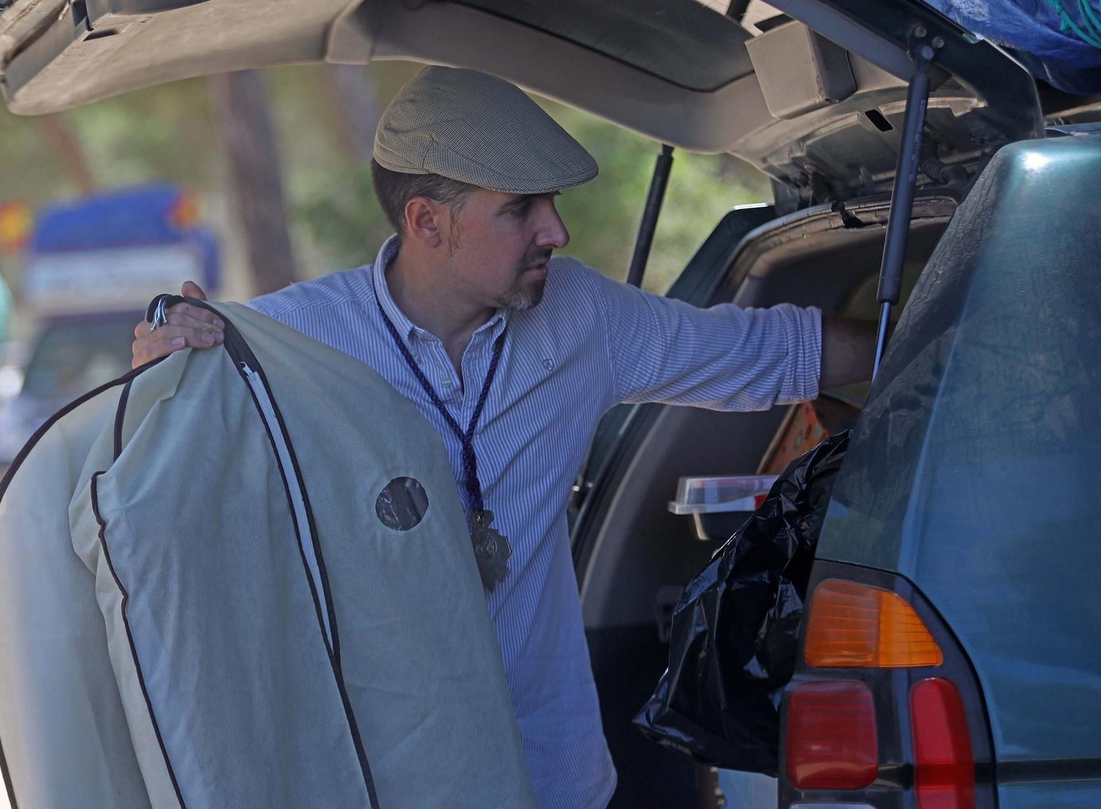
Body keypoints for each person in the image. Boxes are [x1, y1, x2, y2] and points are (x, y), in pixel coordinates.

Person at [131, 66, 875, 808]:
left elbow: (775, 353)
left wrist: (943, 334)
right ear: (427, 223)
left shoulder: (580, 313)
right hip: (382, 785)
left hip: (551, 777)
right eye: (521, 210)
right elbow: (160, 498)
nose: (557, 230)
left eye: (550, 203)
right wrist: (159, 368)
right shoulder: (292, 345)